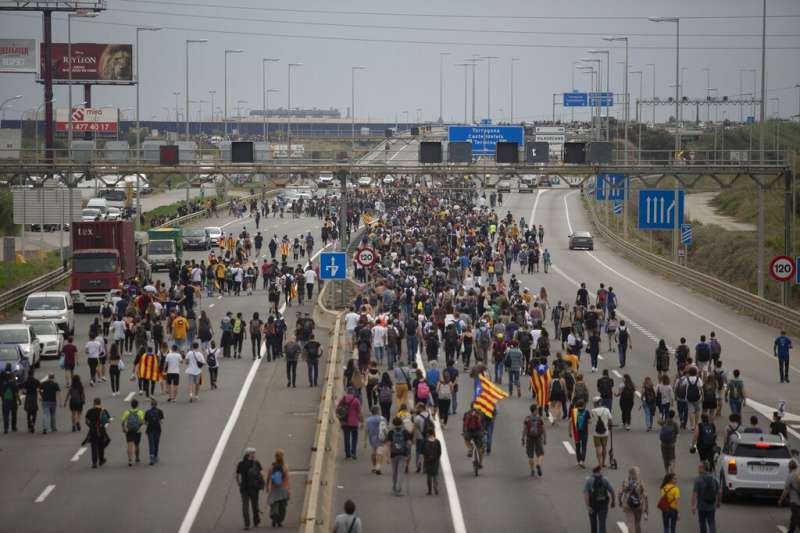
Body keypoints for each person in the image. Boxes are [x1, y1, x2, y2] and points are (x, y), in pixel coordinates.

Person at [236, 448, 264, 530]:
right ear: (250, 454)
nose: (255, 454)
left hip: (244, 488)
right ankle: (256, 522)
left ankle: (246, 524)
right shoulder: (256, 463)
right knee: (255, 505)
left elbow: (237, 475)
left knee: (245, 506)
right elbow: (261, 474)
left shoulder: (240, 463)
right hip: (254, 488)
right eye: (253, 453)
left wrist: (239, 484)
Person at [584, 465, 616, 533]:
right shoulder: (605, 480)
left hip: (592, 504)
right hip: (603, 505)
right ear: (600, 470)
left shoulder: (589, 480)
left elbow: (586, 494)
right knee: (602, 523)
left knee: (593, 523)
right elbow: (612, 491)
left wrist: (588, 506)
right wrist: (613, 501)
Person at [692, 462, 720, 533]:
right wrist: (717, 503)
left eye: (699, 467)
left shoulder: (698, 480)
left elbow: (694, 493)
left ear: (703, 468)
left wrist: (693, 505)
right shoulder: (714, 479)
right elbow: (718, 492)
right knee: (711, 522)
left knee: (702, 523)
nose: (698, 469)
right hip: (711, 505)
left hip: (701, 506)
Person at [387, 416, 412, 496]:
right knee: (401, 472)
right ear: (401, 423)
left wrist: (387, 456)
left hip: (393, 454)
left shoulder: (391, 432)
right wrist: (408, 454)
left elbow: (388, 444)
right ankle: (398, 489)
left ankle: (394, 486)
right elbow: (409, 443)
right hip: (402, 454)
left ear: (393, 424)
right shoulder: (405, 432)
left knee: (394, 472)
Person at [618, 466, 648, 533]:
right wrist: (646, 509)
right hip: (639, 504)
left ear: (629, 473)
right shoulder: (640, 482)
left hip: (627, 504)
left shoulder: (625, 481)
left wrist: (620, 501)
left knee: (630, 522)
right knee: (637, 522)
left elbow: (620, 493)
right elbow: (645, 495)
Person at [337, 386, 363, 460]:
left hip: (345, 422)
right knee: (354, 438)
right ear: (353, 392)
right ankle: (353, 452)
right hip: (354, 423)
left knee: (346, 438)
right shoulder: (356, 400)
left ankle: (347, 454)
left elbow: (337, 409)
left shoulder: (343, 399)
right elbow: (359, 412)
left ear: (347, 391)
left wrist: (340, 419)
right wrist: (362, 421)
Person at [267, 449, 290, 528]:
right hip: (284, 489)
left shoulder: (272, 467)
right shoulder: (285, 467)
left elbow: (269, 477)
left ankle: (274, 520)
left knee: (274, 506)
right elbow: (287, 479)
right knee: (283, 507)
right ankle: (280, 521)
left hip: (274, 489)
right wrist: (289, 490)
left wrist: (267, 486)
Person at [522, 404, 547, 477]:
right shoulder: (539, 419)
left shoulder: (527, 418)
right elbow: (543, 429)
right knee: (541, 453)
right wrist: (545, 438)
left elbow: (524, 429)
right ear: (535, 410)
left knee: (530, 455)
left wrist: (523, 438)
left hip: (529, 438)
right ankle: (538, 464)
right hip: (538, 437)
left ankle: (532, 470)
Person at [778, 460, 800, 533]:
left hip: (795, 501)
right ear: (796, 466)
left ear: (789, 467)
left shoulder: (790, 476)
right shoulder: (799, 474)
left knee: (795, 518)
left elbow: (786, 490)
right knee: (796, 517)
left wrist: (781, 499)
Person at [122, 398, 145, 466]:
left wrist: (124, 428)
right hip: (137, 430)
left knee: (129, 444)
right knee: (137, 445)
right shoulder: (140, 412)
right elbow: (142, 422)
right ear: (137, 405)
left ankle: (130, 460)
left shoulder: (127, 412)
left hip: (129, 430)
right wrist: (140, 427)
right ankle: (137, 457)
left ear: (131, 405)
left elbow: (123, 421)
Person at [590, 397, 612, 468]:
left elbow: (590, 420)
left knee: (598, 447)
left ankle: (599, 463)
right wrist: (609, 427)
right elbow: (610, 419)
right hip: (605, 432)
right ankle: (604, 462)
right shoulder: (606, 410)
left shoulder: (593, 411)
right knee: (604, 447)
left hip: (596, 432)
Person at [365, 405, 387, 474]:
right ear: (377, 411)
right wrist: (387, 437)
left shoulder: (368, 420)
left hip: (372, 438)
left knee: (373, 452)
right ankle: (378, 466)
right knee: (379, 452)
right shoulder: (382, 418)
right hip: (380, 437)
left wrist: (365, 441)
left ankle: (374, 466)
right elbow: (384, 429)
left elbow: (366, 430)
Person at [571, 399, 590, 468]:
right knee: (584, 446)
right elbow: (589, 421)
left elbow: (570, 422)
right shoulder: (586, 412)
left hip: (577, 432)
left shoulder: (574, 412)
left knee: (578, 447)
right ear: (583, 405)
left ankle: (578, 461)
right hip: (585, 432)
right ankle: (582, 461)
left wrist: (569, 432)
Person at [659, 409, 680, 474]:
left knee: (665, 458)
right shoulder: (675, 424)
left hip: (663, 443)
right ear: (673, 416)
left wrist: (660, 417)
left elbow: (659, 422)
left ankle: (667, 472)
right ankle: (672, 470)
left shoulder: (665, 422)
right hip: (671, 443)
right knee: (672, 458)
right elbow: (677, 432)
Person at [422, 428, 442, 495]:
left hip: (427, 460)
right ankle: (435, 488)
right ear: (433, 433)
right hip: (435, 460)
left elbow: (423, 451)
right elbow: (439, 452)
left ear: (427, 434)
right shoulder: (437, 441)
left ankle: (429, 490)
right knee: (435, 474)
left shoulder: (425, 441)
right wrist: (437, 458)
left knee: (429, 475)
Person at [0, 364, 20, 433]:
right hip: (13, 399)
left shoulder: (2, 376)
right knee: (14, 413)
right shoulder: (13, 378)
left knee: (6, 414)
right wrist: (19, 400)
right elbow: (16, 390)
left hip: (5, 398)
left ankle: (6, 428)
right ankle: (13, 427)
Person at [145, 398, 164, 465]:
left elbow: (146, 422)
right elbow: (161, 421)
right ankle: (155, 456)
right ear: (156, 404)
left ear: (151, 405)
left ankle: (151, 457)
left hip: (150, 430)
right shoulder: (160, 411)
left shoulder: (147, 412)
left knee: (151, 444)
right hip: (157, 429)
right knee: (156, 443)